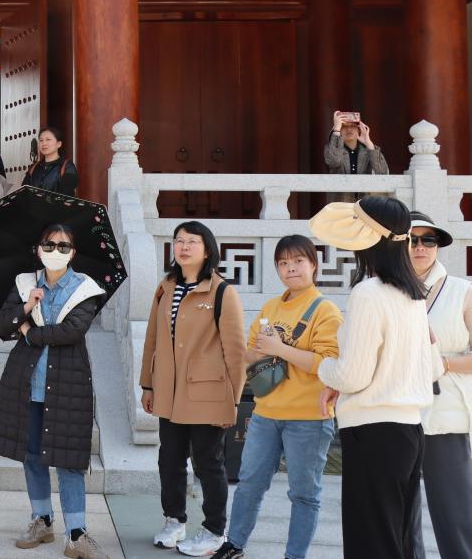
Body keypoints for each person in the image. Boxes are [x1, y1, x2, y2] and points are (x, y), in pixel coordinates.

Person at [310, 196, 441, 559]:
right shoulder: (413, 295)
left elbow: (352, 374)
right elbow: (432, 368)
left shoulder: (368, 292)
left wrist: (324, 369)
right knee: (397, 540)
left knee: (371, 541)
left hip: (374, 431)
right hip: (409, 430)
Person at [212, 235, 343, 559]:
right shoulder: (271, 307)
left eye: (298, 261)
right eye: (283, 263)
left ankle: (294, 555)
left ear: (313, 265)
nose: (290, 268)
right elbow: (250, 354)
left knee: (304, 494)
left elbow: (328, 365)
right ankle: (234, 544)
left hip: (309, 418)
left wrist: (279, 348)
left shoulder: (325, 310)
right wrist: (259, 351)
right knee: (249, 483)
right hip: (266, 413)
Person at [0, 223, 110, 559]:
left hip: (69, 383)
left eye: (63, 245)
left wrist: (29, 332)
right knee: (32, 456)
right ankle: (42, 521)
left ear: (73, 252)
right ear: (38, 248)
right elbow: (3, 325)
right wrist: (26, 308)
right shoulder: (25, 283)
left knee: (69, 460)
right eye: (49, 244)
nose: (56, 250)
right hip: (26, 382)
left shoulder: (86, 289)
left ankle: (77, 534)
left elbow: (71, 332)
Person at [139, 221, 246, 556]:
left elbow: (235, 351)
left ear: (207, 248)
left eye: (192, 241)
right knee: (169, 459)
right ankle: (174, 521)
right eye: (179, 241)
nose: (183, 247)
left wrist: (233, 401)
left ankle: (214, 530)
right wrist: (147, 384)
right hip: (169, 393)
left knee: (208, 463)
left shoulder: (222, 291)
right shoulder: (165, 288)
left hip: (208, 395)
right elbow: (152, 338)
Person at [406, 211, 472, 559]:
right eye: (411, 239)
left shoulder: (462, 291)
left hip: (445, 410)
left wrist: (441, 364)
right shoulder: (384, 290)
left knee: (454, 510)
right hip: (398, 408)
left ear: (438, 245)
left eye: (428, 240)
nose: (420, 247)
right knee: (401, 511)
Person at [324, 111, 388, 202]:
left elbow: (382, 174)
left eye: (353, 126)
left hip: (363, 204)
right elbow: (334, 161)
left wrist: (369, 144)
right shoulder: (332, 148)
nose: (349, 129)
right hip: (339, 204)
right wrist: (336, 130)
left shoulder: (368, 151)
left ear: (359, 129)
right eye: (344, 126)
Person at [23, 126, 79, 196]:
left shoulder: (67, 167)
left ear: (59, 144)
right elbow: (24, 193)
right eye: (41, 140)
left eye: (48, 139)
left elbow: (66, 195)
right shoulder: (34, 167)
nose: (44, 143)